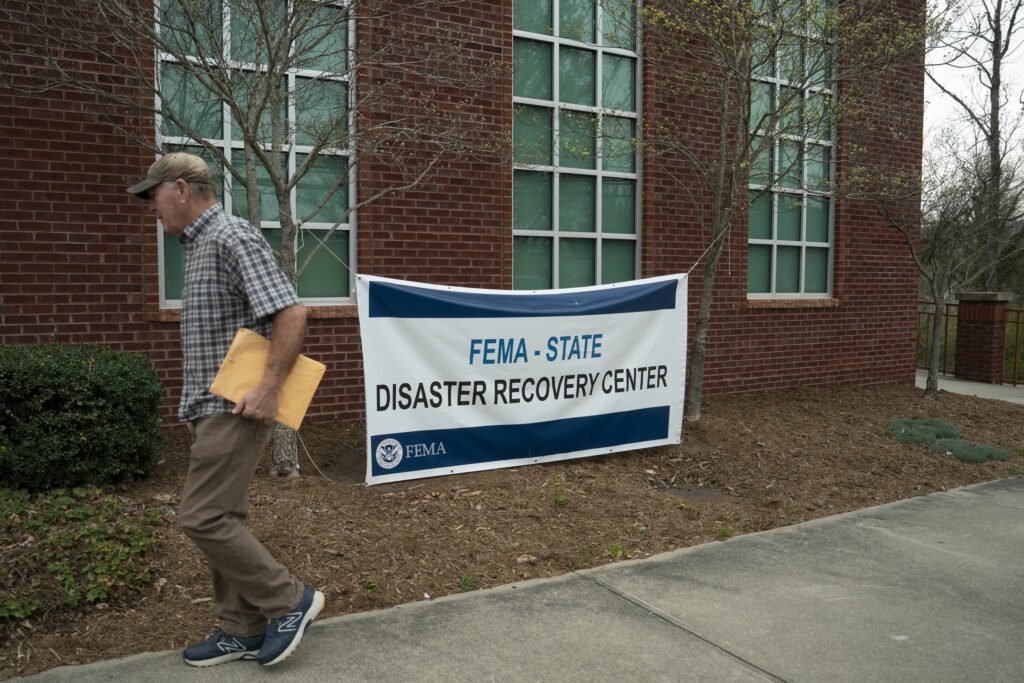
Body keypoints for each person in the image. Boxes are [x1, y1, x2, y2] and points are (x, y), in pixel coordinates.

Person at [128, 153, 324, 667]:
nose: (153, 208)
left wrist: (268, 389)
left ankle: (289, 600)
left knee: (202, 516)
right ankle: (242, 629)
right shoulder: (200, 245)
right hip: (211, 406)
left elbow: (291, 312)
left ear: (182, 188)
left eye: (155, 196)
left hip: (237, 406)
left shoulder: (229, 236)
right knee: (224, 516)